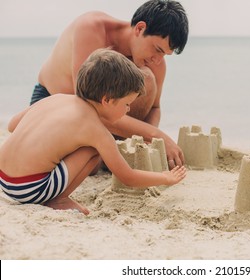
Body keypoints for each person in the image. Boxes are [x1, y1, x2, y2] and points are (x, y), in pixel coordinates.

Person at [0, 49, 187, 215]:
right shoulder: (95, 129)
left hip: (3, 178)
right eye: (127, 104)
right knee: (94, 149)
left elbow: (12, 126)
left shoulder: (56, 98)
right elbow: (127, 176)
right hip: (27, 188)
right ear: (107, 100)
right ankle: (60, 199)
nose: (128, 110)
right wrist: (165, 177)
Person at [30, 0, 189, 170]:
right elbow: (86, 106)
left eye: (165, 54)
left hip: (102, 121)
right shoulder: (92, 29)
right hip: (55, 105)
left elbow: (154, 108)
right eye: (157, 49)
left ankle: (114, 150)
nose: (158, 60)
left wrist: (144, 144)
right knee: (89, 164)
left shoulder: (155, 63)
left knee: (148, 78)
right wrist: (157, 135)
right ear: (140, 28)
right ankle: (105, 153)